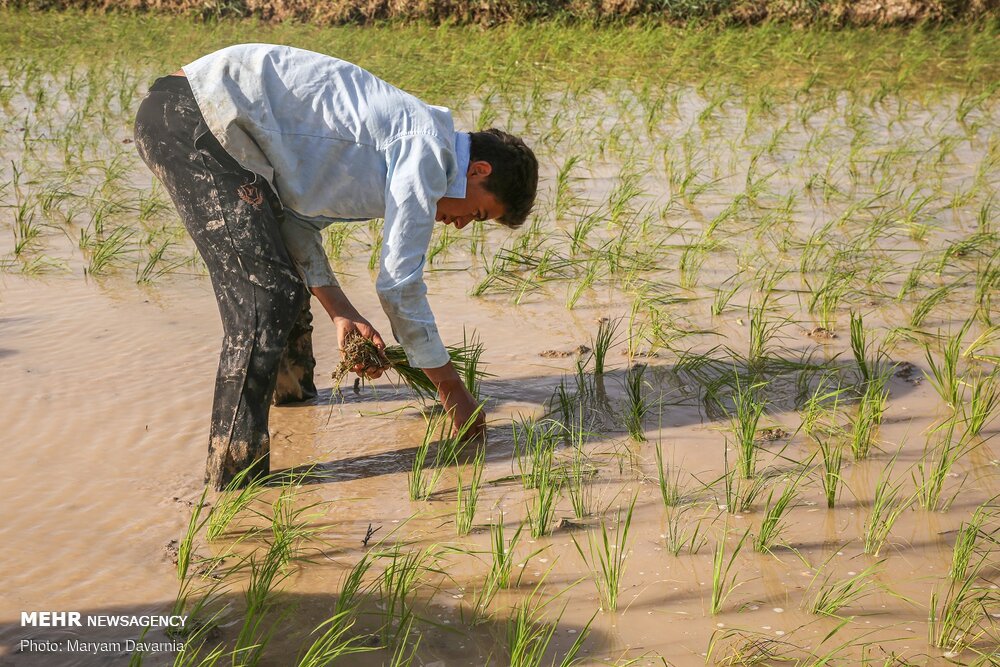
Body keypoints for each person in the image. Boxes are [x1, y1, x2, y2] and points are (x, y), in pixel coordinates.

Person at [133, 43, 538, 490]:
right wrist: (454, 394)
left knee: (284, 286)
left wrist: (342, 312)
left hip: (206, 123)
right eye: (477, 214)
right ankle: (235, 481)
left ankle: (293, 408)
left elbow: (298, 222)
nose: (461, 225)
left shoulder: (401, 154)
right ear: (478, 170)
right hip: (191, 118)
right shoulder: (425, 150)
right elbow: (399, 285)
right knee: (264, 298)